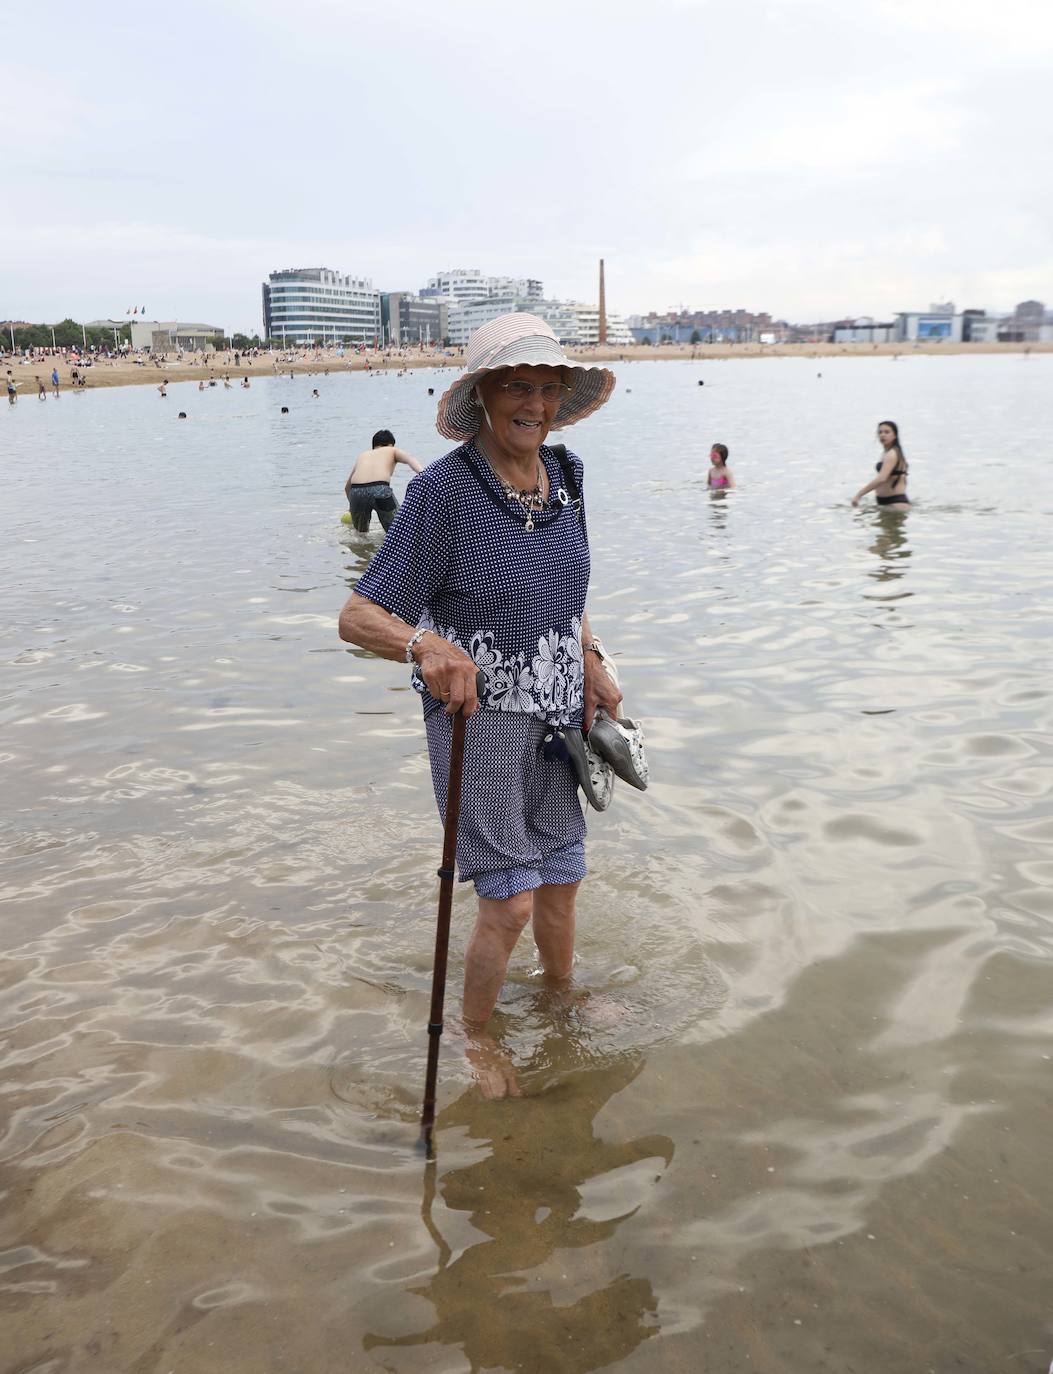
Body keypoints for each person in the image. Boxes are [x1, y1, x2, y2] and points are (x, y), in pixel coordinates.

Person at [337, 313, 623, 1098]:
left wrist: (592, 658)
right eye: (516, 387)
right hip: (480, 722)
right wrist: (424, 647)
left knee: (562, 875)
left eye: (545, 389)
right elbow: (358, 616)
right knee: (511, 901)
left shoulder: (568, 476)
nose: (532, 404)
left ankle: (561, 1000)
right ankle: (474, 1036)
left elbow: (570, 593)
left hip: (560, 710)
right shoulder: (441, 493)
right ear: (484, 398)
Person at [343, 429, 423, 533]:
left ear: (374, 445)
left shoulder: (363, 455)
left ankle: (362, 549)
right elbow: (410, 459)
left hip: (356, 491)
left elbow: (347, 488)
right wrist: (424, 474)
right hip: (379, 489)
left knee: (360, 536)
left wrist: (352, 508)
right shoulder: (392, 450)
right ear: (391, 444)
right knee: (398, 531)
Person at [852, 420, 909, 507]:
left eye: (887, 432)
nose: (882, 435)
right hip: (885, 504)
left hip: (895, 503)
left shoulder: (892, 454)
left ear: (895, 435)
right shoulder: (887, 453)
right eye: (880, 432)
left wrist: (859, 494)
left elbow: (882, 478)